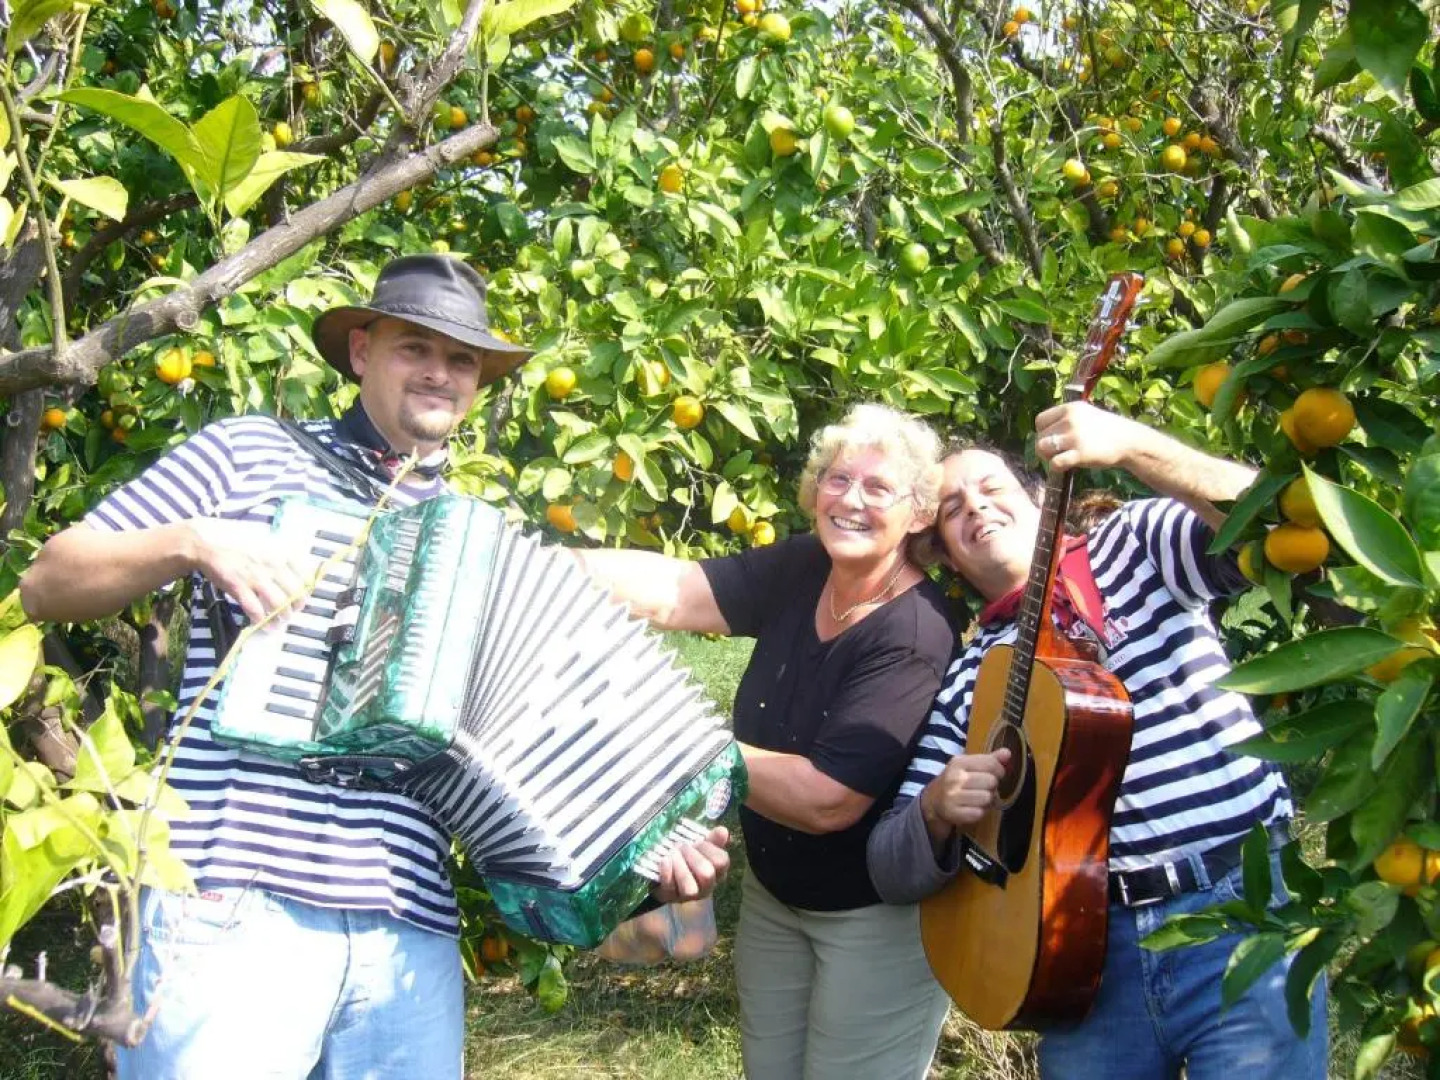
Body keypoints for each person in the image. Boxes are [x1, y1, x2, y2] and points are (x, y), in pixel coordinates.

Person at [19, 254, 730, 1080]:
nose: (438, 372)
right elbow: (47, 582)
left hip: (407, 922)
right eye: (412, 348)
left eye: (461, 359)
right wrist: (194, 541)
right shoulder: (248, 452)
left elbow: (532, 756)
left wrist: (645, 854)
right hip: (235, 897)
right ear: (360, 352)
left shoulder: (479, 541)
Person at [866, 400, 1328, 1079]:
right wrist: (935, 808)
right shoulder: (971, 674)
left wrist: (1134, 445)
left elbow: (1285, 528)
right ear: (944, 552)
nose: (975, 508)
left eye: (991, 488)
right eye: (952, 509)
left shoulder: (1136, 544)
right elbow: (889, 864)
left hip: (1237, 908)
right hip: (1076, 951)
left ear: (1038, 497)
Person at [574, 403, 954, 1079]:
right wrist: (525, 560)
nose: (851, 500)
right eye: (838, 479)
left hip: (872, 919)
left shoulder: (915, 633)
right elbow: (674, 593)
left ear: (920, 513)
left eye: (878, 488)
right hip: (779, 898)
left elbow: (828, 801)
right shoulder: (807, 567)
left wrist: (676, 742)